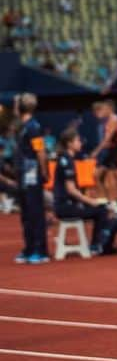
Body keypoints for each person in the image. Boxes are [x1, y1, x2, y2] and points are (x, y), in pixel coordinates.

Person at [52, 125, 117, 255]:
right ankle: (96, 245)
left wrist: (90, 199)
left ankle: (97, 244)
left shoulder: (68, 159)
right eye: (78, 140)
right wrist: (90, 201)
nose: (80, 143)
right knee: (102, 211)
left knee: (102, 207)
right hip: (65, 207)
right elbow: (70, 190)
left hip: (68, 205)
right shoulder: (66, 161)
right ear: (70, 143)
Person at [14, 93, 48, 264]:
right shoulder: (23, 126)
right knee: (26, 214)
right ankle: (29, 248)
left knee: (35, 212)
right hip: (22, 174)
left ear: (21, 107)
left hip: (32, 175)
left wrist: (44, 171)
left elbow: (40, 151)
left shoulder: (34, 126)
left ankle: (40, 250)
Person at [91, 97, 117, 204]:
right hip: (108, 152)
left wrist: (96, 151)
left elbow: (107, 138)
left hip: (113, 151)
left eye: (104, 108)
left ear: (110, 108)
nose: (103, 111)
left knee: (116, 178)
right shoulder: (106, 121)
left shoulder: (114, 119)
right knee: (99, 176)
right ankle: (107, 201)